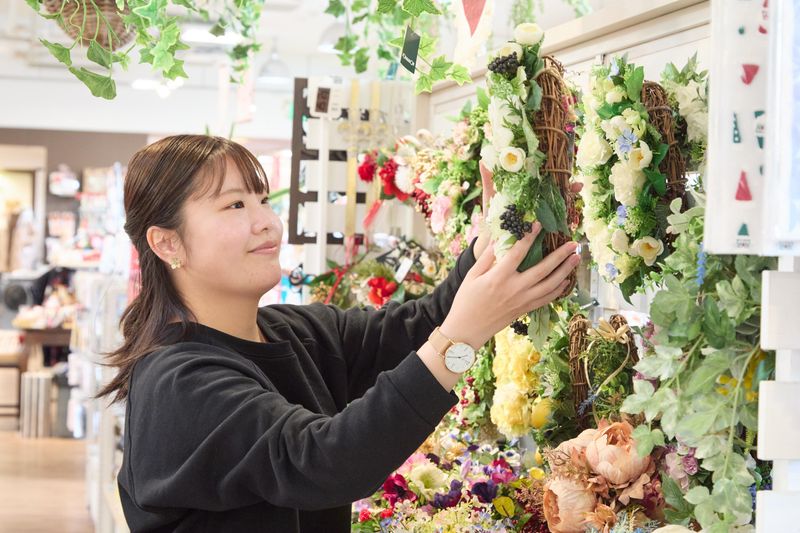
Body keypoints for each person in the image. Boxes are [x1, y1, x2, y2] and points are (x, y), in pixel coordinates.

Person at [99, 135, 580, 532]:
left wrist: (490, 247)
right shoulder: (179, 380)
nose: (267, 222)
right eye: (235, 205)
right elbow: (326, 462)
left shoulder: (292, 332)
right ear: (167, 243)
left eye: (263, 200)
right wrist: (461, 340)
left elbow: (415, 327)